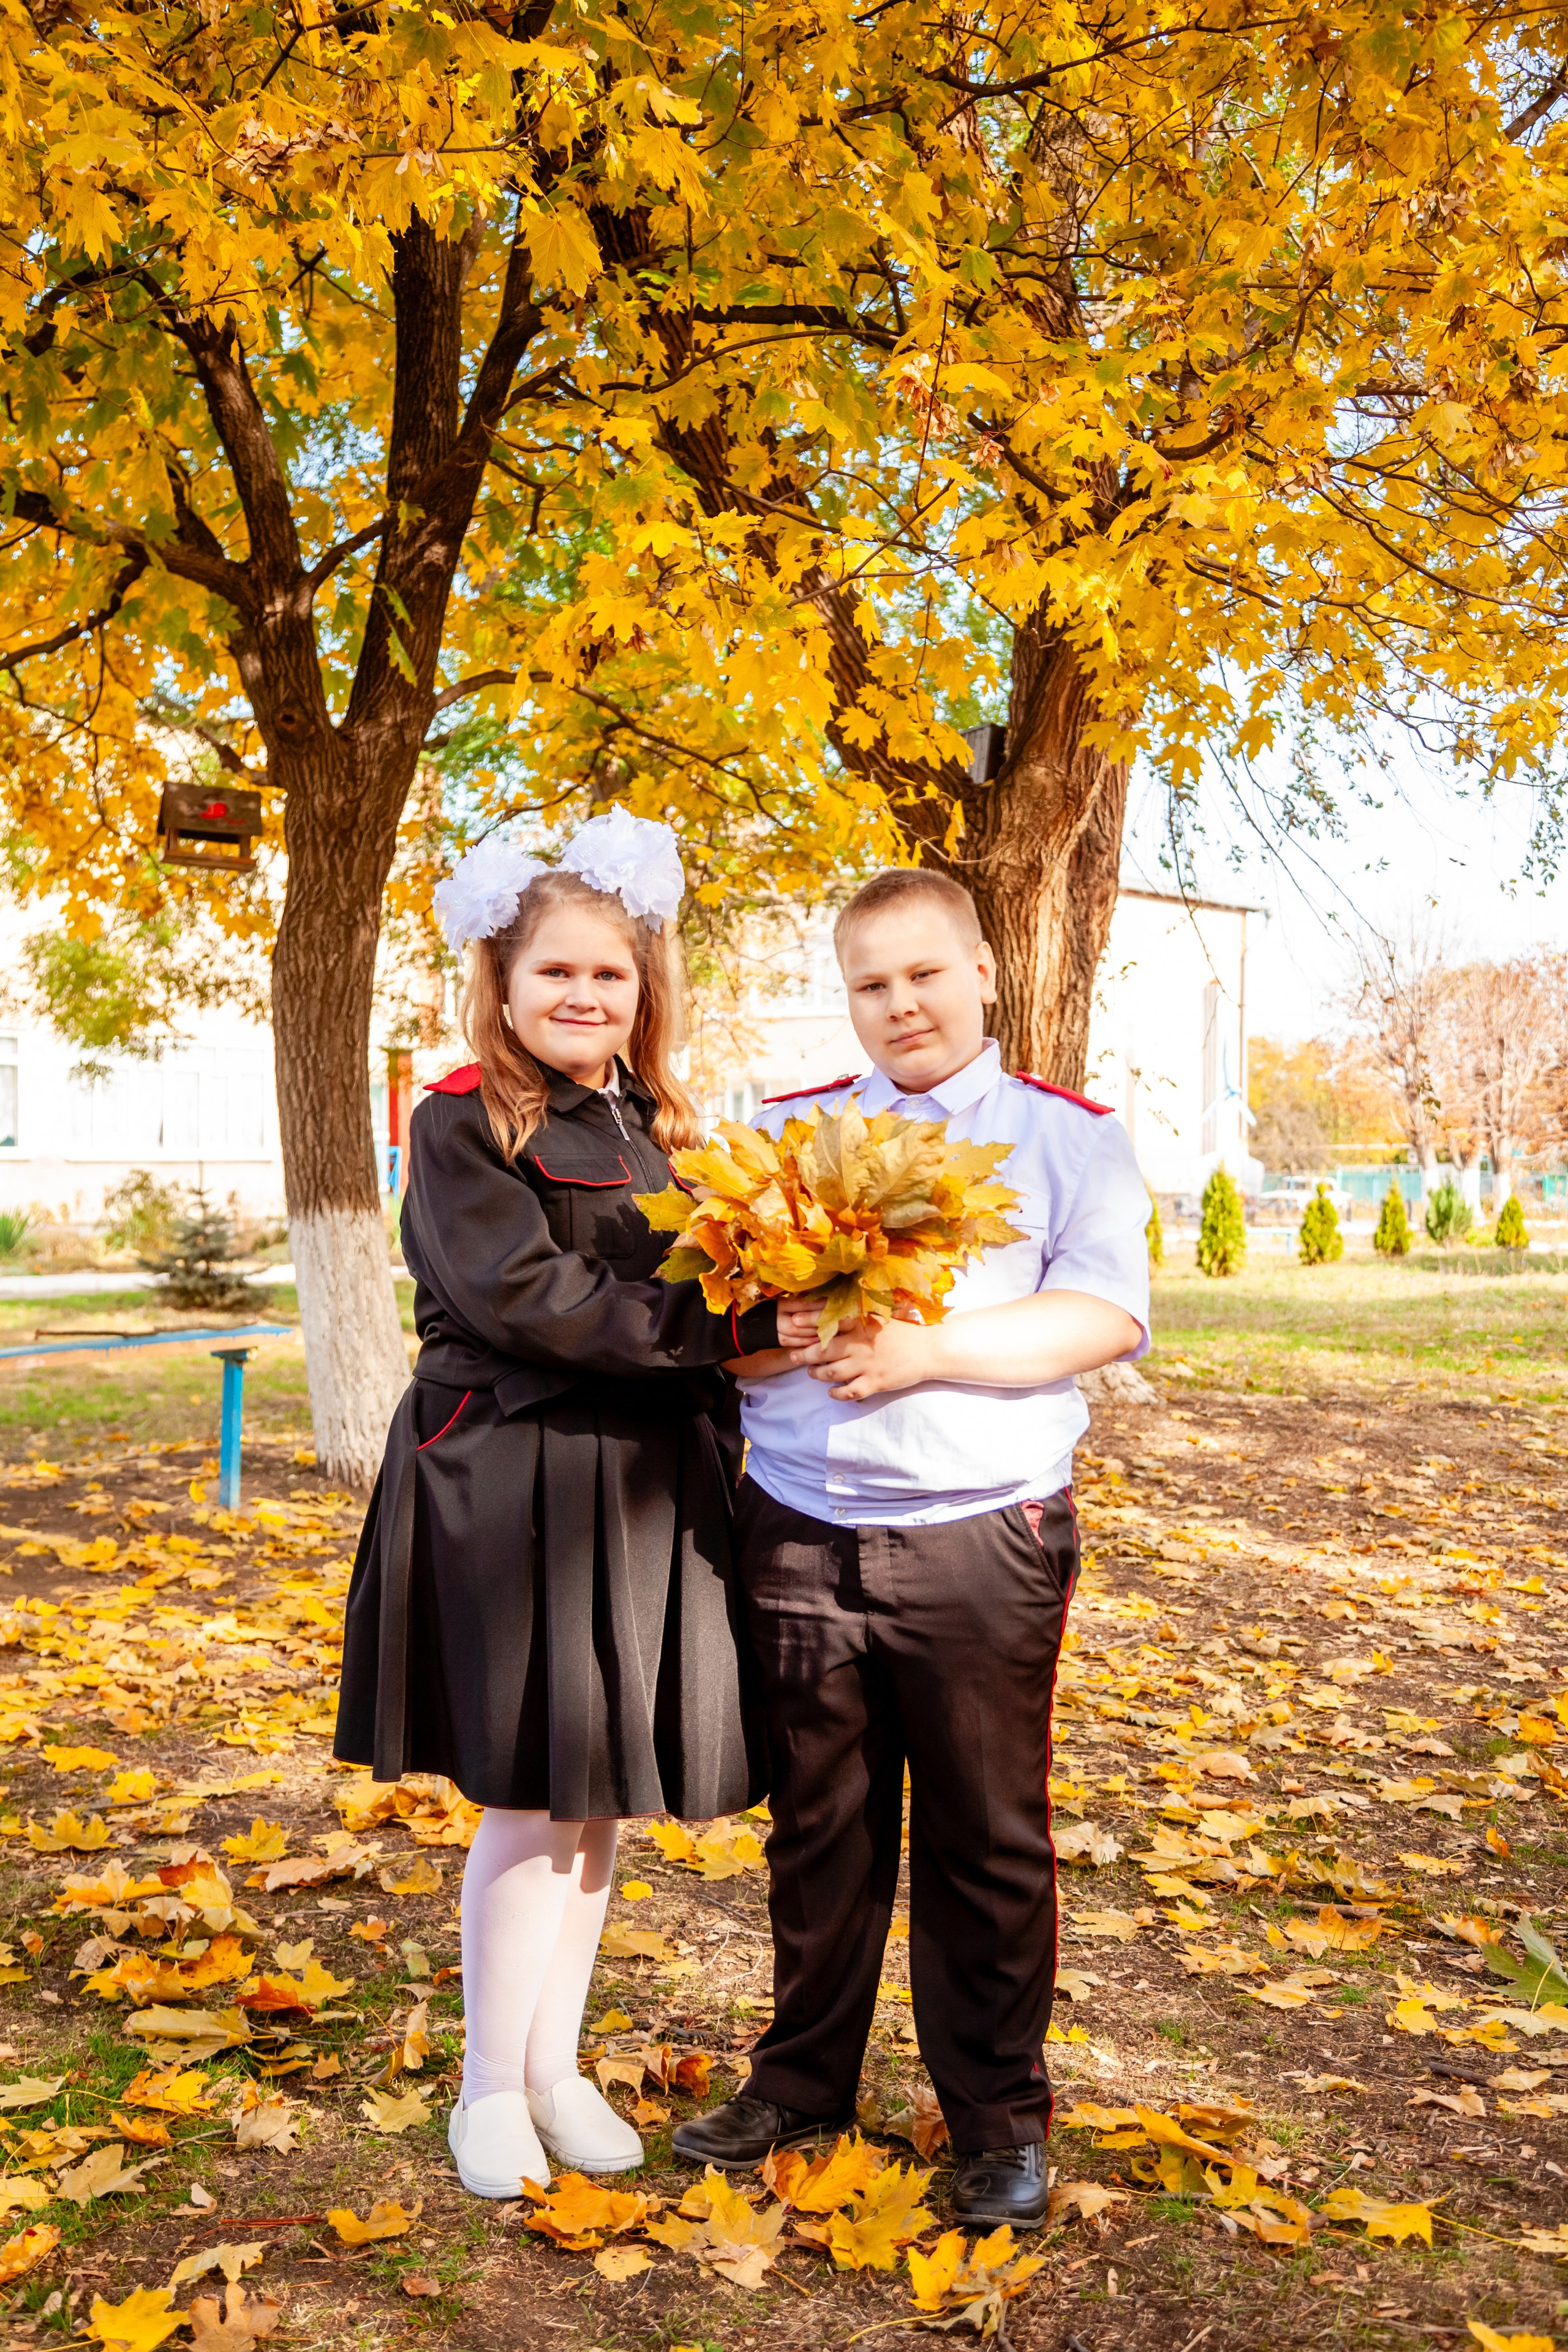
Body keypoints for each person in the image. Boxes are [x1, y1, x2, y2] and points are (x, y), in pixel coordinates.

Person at [671, 867, 1152, 2229]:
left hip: (976, 1534)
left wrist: (930, 1352)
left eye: (925, 975)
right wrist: (775, 1334)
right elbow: (713, 1318)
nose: (900, 1005)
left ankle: (993, 2116)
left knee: (981, 1836)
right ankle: (801, 2085)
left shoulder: (1066, 1138)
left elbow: (1102, 1317)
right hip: (799, 1526)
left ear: (984, 974)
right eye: (871, 984)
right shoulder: (779, 1135)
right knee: (816, 1829)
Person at [333, 808, 782, 2201]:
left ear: (643, 990)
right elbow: (524, 1297)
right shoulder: (461, 1117)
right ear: (504, 984)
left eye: (611, 975)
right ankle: (486, 2086)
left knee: (594, 1809)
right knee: (530, 1802)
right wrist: (721, 1335)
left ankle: (553, 2067)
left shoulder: (661, 1125)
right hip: (513, 1483)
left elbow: (715, 1274)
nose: (585, 996)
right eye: (557, 975)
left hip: (641, 1485)